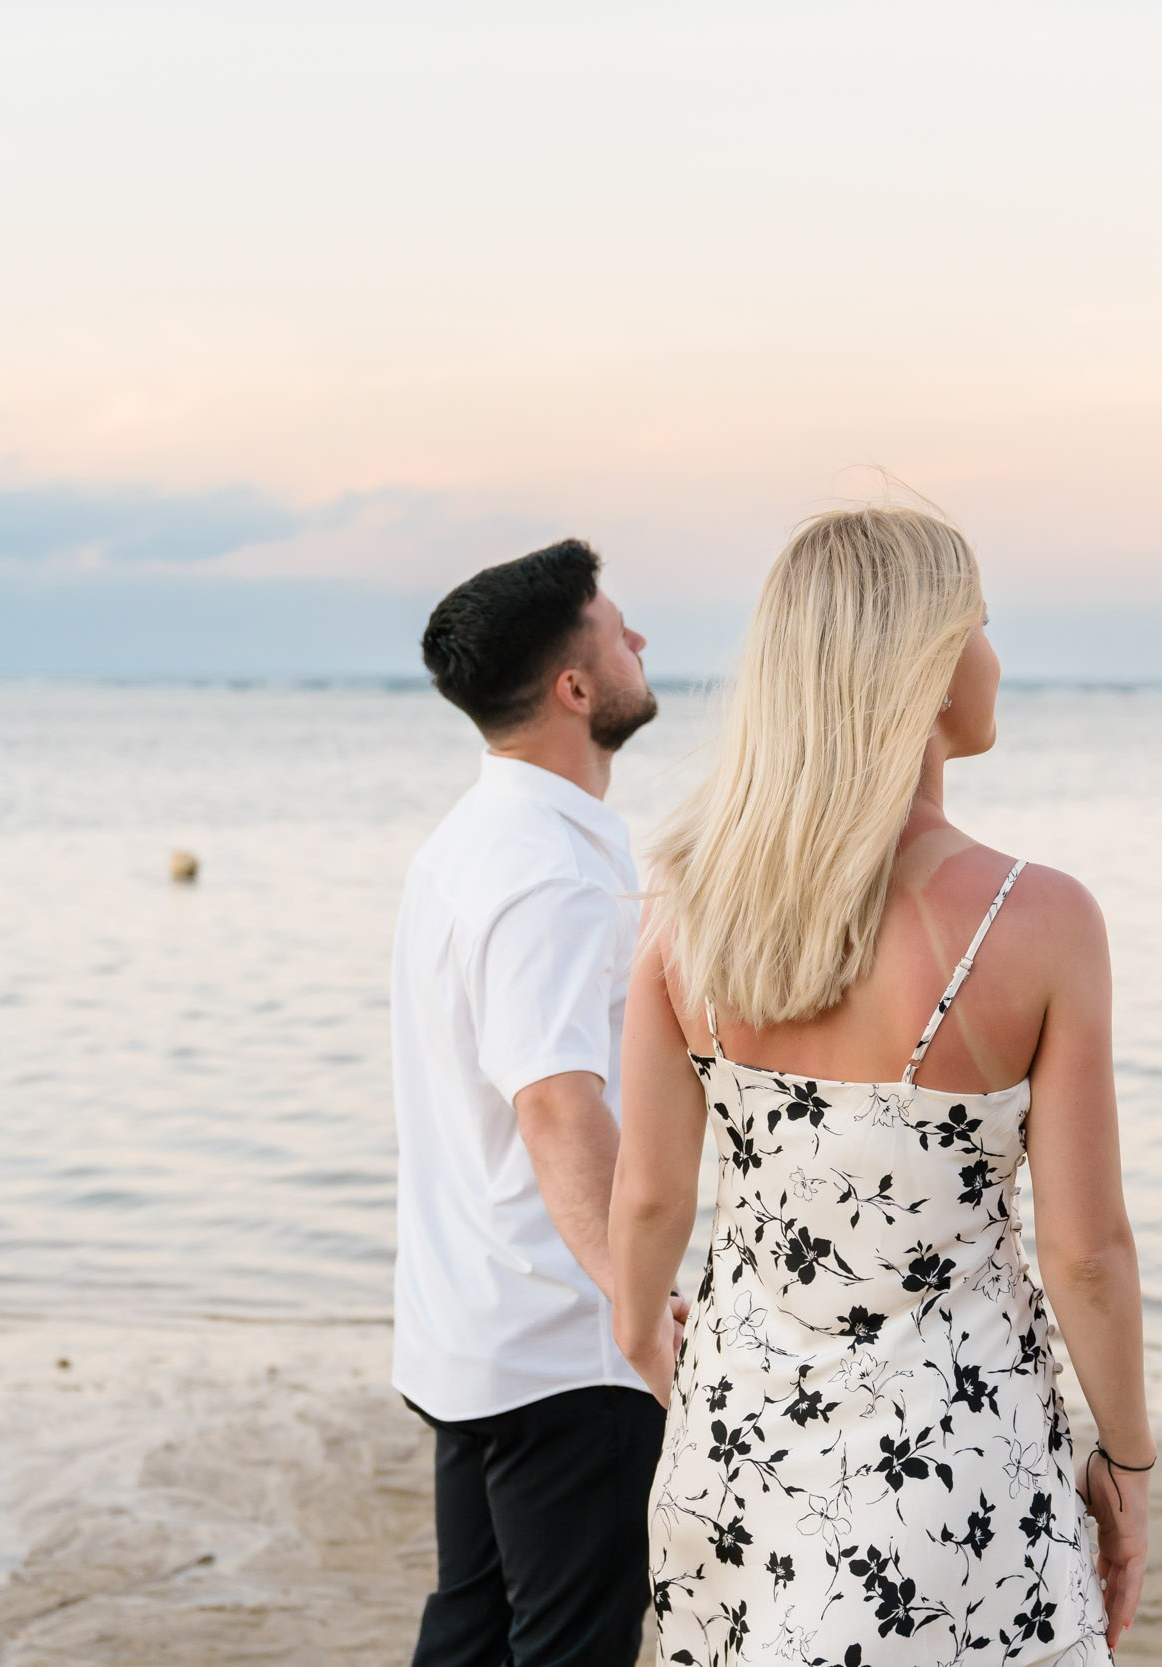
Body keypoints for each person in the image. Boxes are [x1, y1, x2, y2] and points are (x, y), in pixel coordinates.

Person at [608, 506, 1152, 1664]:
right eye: (983, 628)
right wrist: (1128, 1456)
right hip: (956, 1450)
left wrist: (645, 1342)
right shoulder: (1038, 917)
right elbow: (1087, 1250)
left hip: (735, 1430)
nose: (995, 658)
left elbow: (650, 1200)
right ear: (928, 665)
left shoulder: (682, 904)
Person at [391, 537, 682, 1667]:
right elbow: (559, 1107)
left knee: (470, 1631)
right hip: (564, 1345)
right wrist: (638, 1308)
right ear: (574, 686)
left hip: (469, 1324)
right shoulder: (547, 870)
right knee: (571, 1645)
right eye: (618, 631)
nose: (641, 641)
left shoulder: (469, 843)